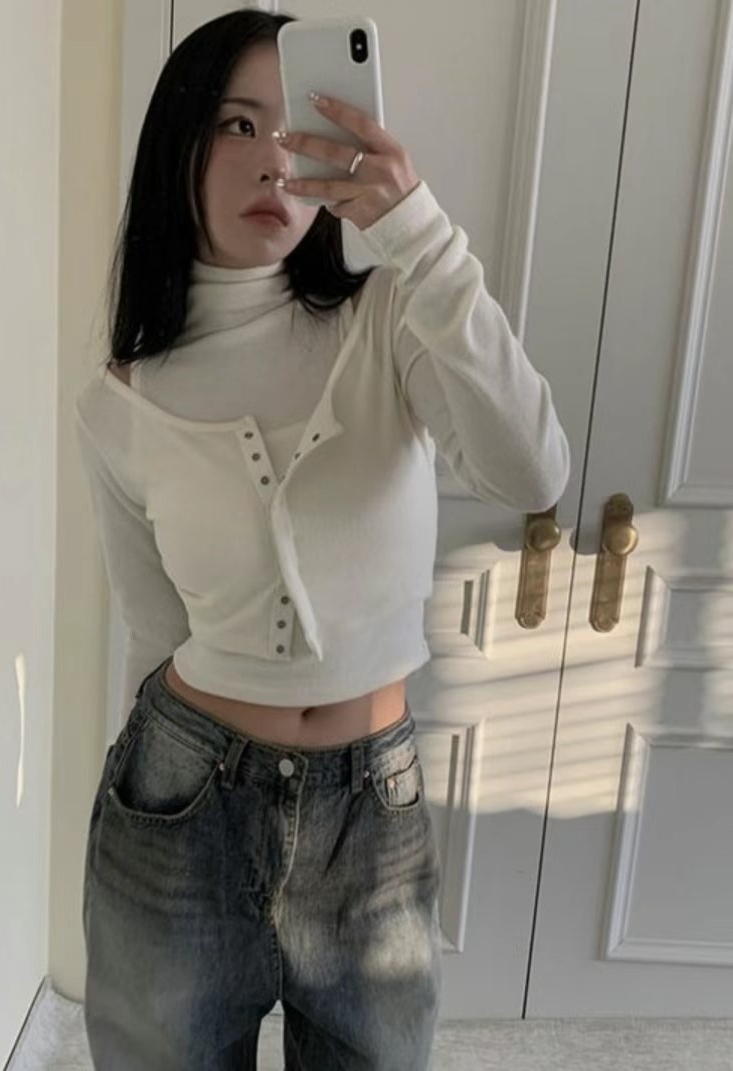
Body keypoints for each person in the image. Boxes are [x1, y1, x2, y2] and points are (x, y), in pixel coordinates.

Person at [75, 8, 570, 1070]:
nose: (272, 159)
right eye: (235, 125)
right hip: (178, 803)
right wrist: (154, 799)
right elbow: (152, 631)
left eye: (292, 124)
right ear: (177, 148)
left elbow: (532, 471)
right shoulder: (119, 402)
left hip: (370, 816)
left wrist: (419, 235)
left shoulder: (390, 319)